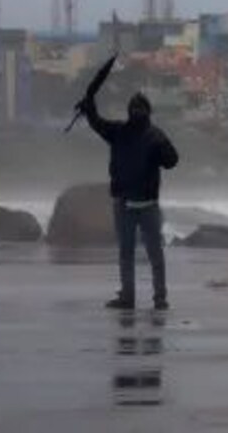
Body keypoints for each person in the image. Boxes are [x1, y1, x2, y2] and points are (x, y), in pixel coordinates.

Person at [78, 92, 179, 310]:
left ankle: (155, 298)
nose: (137, 112)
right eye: (134, 108)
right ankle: (133, 297)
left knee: (145, 254)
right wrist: (89, 107)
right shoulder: (121, 132)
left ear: (147, 112)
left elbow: (172, 161)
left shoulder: (153, 136)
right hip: (126, 203)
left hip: (144, 205)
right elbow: (97, 123)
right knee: (137, 254)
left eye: (140, 109)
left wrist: (161, 149)